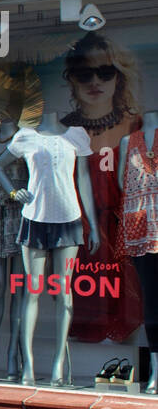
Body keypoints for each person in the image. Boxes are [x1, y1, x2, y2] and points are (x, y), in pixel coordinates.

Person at [59, 32, 143, 344]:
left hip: (126, 234)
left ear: (118, 77)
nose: (95, 81)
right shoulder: (62, 130)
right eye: (84, 74)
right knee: (81, 316)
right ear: (72, 79)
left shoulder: (138, 126)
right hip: (76, 233)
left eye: (105, 72)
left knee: (130, 318)